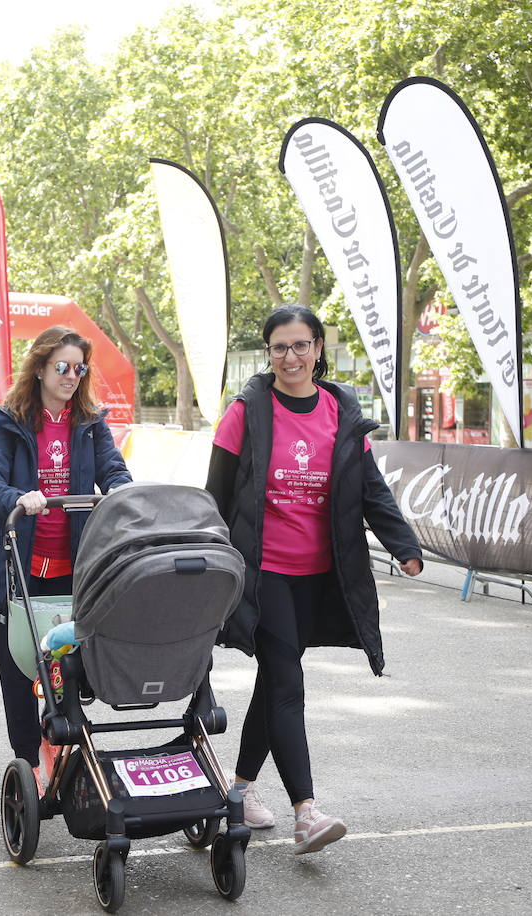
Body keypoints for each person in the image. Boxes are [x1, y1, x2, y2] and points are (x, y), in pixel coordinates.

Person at [205, 304, 423, 854]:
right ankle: (307, 811)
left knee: (275, 682)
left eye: (301, 345)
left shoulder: (342, 414)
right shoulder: (246, 412)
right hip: (264, 573)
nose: (291, 357)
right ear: (269, 354)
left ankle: (238, 790)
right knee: (289, 686)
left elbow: (369, 488)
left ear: (319, 348)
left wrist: (404, 546)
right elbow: (217, 495)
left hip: (319, 573)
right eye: (279, 347)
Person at [0, 326, 132, 790]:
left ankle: (55, 738)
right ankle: (26, 762)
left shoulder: (89, 421)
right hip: (17, 571)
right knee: (20, 669)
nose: (70, 376)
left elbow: (114, 470)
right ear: (40, 367)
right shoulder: (10, 420)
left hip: (71, 571)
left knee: (63, 666)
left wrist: (123, 493)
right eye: (61, 366)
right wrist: (21, 498)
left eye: (78, 368)